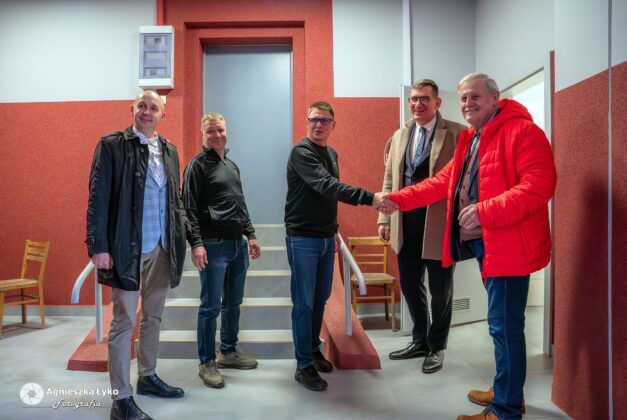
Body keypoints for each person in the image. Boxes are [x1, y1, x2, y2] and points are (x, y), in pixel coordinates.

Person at [380, 73, 556, 420]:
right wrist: (395, 200)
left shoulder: (523, 131)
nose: (467, 104)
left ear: (494, 97)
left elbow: (540, 185)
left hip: (509, 248)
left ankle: (505, 410)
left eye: (475, 96)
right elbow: (440, 183)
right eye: (463, 98)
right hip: (486, 245)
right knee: (502, 326)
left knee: (504, 327)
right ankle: (508, 392)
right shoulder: (474, 138)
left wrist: (485, 211)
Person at [86, 90, 188, 420]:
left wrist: (185, 237)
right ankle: (121, 399)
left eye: (153, 107)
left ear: (162, 115)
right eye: (141, 106)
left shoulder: (170, 151)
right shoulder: (112, 145)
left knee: (153, 317)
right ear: (132, 109)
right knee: (124, 321)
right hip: (127, 248)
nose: (147, 111)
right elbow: (98, 197)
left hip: (162, 247)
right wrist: (98, 246)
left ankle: (147, 376)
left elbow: (176, 201)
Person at [284, 101, 388, 391]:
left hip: (326, 237)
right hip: (302, 238)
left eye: (324, 120)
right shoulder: (301, 152)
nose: (319, 125)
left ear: (333, 125)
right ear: (307, 122)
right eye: (314, 119)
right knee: (304, 303)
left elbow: (328, 196)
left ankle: (313, 350)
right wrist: (370, 198)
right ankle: (303, 365)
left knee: (320, 298)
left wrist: (332, 230)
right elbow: (326, 185)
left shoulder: (331, 153)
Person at [379, 79, 464, 373]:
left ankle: (437, 347)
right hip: (405, 223)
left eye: (425, 99)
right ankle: (420, 340)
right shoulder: (400, 135)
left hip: (439, 223)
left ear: (437, 102)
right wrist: (384, 218)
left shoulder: (457, 133)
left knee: (441, 291)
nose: (418, 104)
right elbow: (390, 179)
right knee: (410, 285)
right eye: (414, 99)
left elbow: (466, 179)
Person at [183, 112, 261, 389]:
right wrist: (196, 243)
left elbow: (240, 203)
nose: (216, 135)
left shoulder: (231, 165)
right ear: (202, 135)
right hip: (212, 245)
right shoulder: (196, 166)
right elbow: (188, 208)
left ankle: (228, 351)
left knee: (233, 303)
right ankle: (206, 361)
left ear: (226, 132)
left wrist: (251, 234)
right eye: (211, 131)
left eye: (220, 130)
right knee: (210, 307)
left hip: (237, 244)